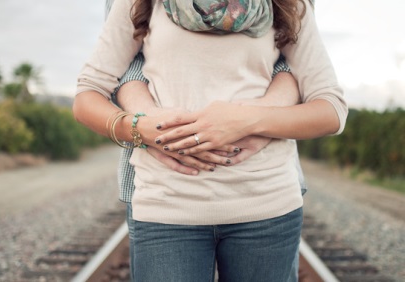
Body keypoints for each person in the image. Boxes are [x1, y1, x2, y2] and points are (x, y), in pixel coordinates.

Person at [73, 0, 348, 280]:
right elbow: (88, 95)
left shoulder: (288, 4)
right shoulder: (139, 3)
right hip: (166, 208)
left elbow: (331, 109)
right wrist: (139, 129)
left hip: (267, 208)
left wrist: (249, 120)